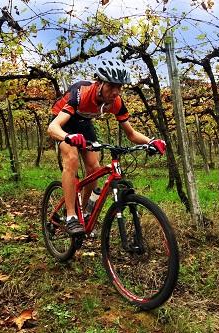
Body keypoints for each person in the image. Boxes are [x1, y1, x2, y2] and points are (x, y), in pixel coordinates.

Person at [47, 59, 166, 236]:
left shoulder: (116, 102)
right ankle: (71, 216)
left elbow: (131, 134)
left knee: (95, 168)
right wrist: (67, 137)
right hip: (63, 123)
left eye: (120, 87)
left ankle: (83, 212)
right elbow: (53, 128)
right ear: (100, 83)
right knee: (71, 160)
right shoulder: (81, 92)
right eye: (111, 86)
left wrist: (151, 141)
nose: (116, 92)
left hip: (84, 124)